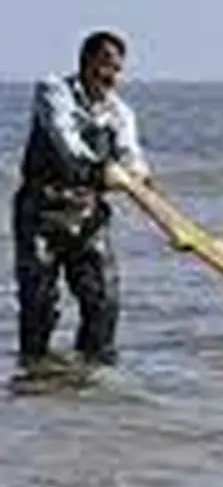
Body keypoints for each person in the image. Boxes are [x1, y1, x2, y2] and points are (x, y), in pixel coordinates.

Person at [12, 30, 152, 371]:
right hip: (42, 211)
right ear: (85, 61)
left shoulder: (119, 112)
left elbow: (131, 155)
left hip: (88, 214)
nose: (111, 77)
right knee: (39, 303)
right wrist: (102, 171)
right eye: (105, 66)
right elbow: (66, 140)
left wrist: (140, 179)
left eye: (117, 69)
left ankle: (92, 383)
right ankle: (35, 376)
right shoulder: (53, 91)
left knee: (103, 301)